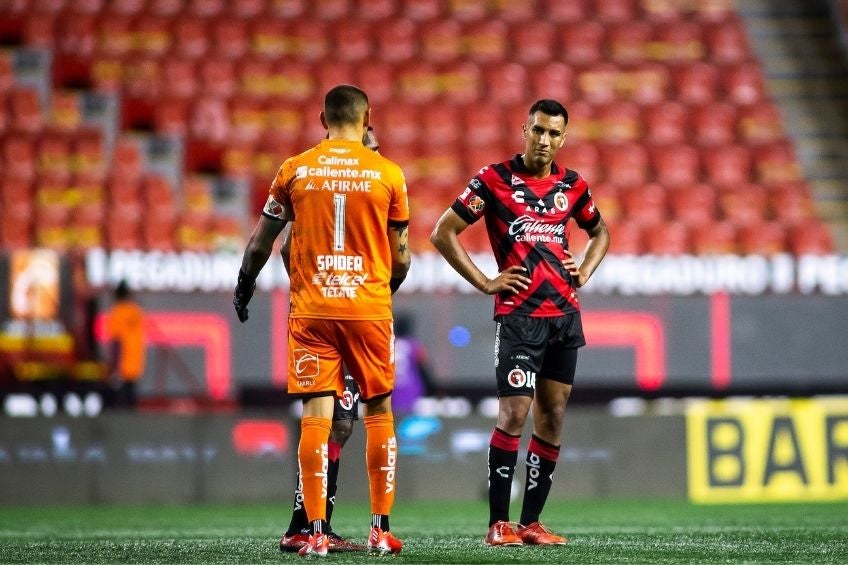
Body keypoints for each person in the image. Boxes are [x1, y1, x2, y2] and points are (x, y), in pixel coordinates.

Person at [233, 85, 411, 557]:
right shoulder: (389, 173)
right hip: (368, 309)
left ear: (322, 118)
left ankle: (313, 531)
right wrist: (379, 289)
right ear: (368, 117)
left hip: (311, 310)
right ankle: (380, 529)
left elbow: (259, 244)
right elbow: (402, 259)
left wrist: (244, 285)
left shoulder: (294, 169)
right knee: (378, 413)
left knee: (316, 419)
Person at [430, 99, 610, 546]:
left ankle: (530, 523)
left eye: (553, 133)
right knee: (515, 412)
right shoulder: (492, 180)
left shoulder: (574, 185)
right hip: (519, 318)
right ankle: (498, 523)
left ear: (563, 139)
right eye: (538, 130)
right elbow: (442, 232)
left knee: (553, 415)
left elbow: (600, 231)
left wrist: (585, 270)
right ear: (524, 130)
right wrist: (485, 282)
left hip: (564, 317)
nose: (544, 140)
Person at [279, 126, 380, 555]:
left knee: (341, 425)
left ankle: (308, 526)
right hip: (327, 324)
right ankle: (305, 527)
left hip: (356, 322)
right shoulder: (330, 186)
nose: (370, 155)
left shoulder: (372, 192)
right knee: (331, 423)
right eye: (366, 147)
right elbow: (286, 246)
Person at [105, 280, 146, 408]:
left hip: (122, 365)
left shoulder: (117, 312)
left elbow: (117, 342)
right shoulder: (137, 311)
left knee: (120, 405)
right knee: (131, 401)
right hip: (136, 363)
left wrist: (114, 368)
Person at [392, 312, 436, 414]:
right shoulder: (415, 346)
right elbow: (424, 367)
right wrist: (432, 389)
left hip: (391, 394)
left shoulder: (387, 345)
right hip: (412, 393)